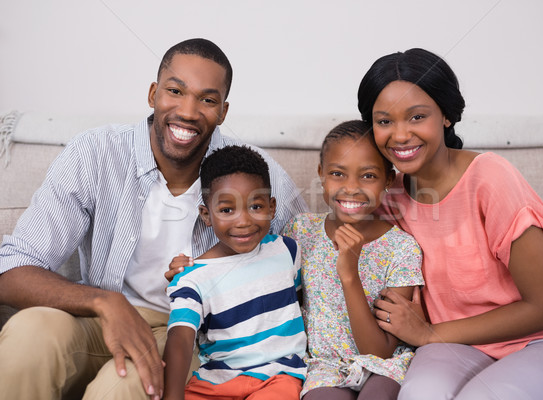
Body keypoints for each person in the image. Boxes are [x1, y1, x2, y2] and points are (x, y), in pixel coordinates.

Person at [0, 38, 307, 400]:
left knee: (122, 386)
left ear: (223, 111)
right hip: (98, 316)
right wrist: (104, 302)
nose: (188, 111)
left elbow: (309, 261)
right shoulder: (94, 154)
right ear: (153, 93)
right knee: (29, 332)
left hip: (189, 337)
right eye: (175, 90)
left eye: (207, 99)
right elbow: (13, 272)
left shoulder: (255, 176)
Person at [356, 48, 543, 399]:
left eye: (416, 117)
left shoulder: (490, 178)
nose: (400, 135)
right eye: (384, 121)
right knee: (420, 395)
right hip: (459, 346)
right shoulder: (390, 198)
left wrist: (428, 334)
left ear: (446, 116)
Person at [283, 120, 424, 400]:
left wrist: (349, 274)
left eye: (368, 176)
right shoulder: (301, 231)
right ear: (321, 173)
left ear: (388, 180)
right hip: (324, 367)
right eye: (338, 173)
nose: (351, 188)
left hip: (384, 366)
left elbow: (379, 351)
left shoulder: (401, 248)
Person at [163, 145, 307, 400]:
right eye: (227, 210)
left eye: (256, 207)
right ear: (207, 215)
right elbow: (181, 339)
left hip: (279, 377)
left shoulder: (287, 251)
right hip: (216, 382)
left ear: (272, 208)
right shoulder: (191, 278)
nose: (243, 221)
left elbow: (300, 303)